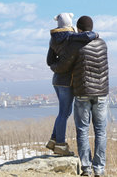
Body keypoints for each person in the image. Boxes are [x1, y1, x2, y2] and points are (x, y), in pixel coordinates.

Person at [50, 16, 109, 177]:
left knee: (82, 131)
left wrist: (53, 66)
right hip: (102, 94)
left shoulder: (77, 45)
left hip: (83, 93)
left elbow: (63, 66)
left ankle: (87, 169)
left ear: (79, 29)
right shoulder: (103, 43)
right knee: (101, 132)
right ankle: (99, 169)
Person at [46, 13, 97, 156]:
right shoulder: (70, 36)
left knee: (63, 112)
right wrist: (96, 34)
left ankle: (54, 140)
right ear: (70, 23)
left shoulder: (53, 39)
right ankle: (61, 146)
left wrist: (59, 68)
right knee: (64, 113)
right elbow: (87, 36)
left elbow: (49, 61)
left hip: (57, 80)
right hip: (67, 82)